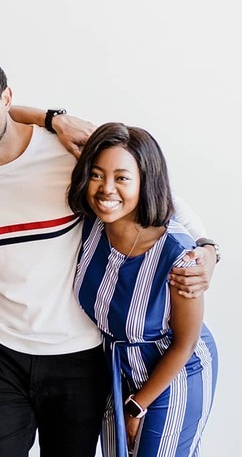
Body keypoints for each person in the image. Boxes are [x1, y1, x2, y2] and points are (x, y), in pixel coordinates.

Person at [0, 50, 218, 456]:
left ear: (7, 97)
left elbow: (153, 190)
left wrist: (207, 246)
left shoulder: (68, 152)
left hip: (79, 353)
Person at [68, 122, 218, 457]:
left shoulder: (179, 254)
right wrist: (52, 119)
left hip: (176, 371)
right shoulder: (90, 226)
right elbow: (5, 119)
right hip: (118, 371)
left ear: (145, 181)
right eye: (97, 175)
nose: (106, 188)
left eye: (122, 178)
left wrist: (137, 406)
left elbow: (185, 343)